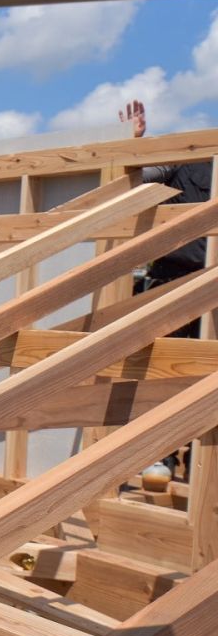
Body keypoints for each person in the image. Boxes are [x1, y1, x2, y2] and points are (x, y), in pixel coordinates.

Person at [121, 100, 212, 488]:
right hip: (174, 282)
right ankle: (160, 455)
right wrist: (135, 143)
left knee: (205, 378)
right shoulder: (189, 159)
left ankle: (201, 466)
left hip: (215, 286)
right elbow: (137, 180)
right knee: (163, 373)